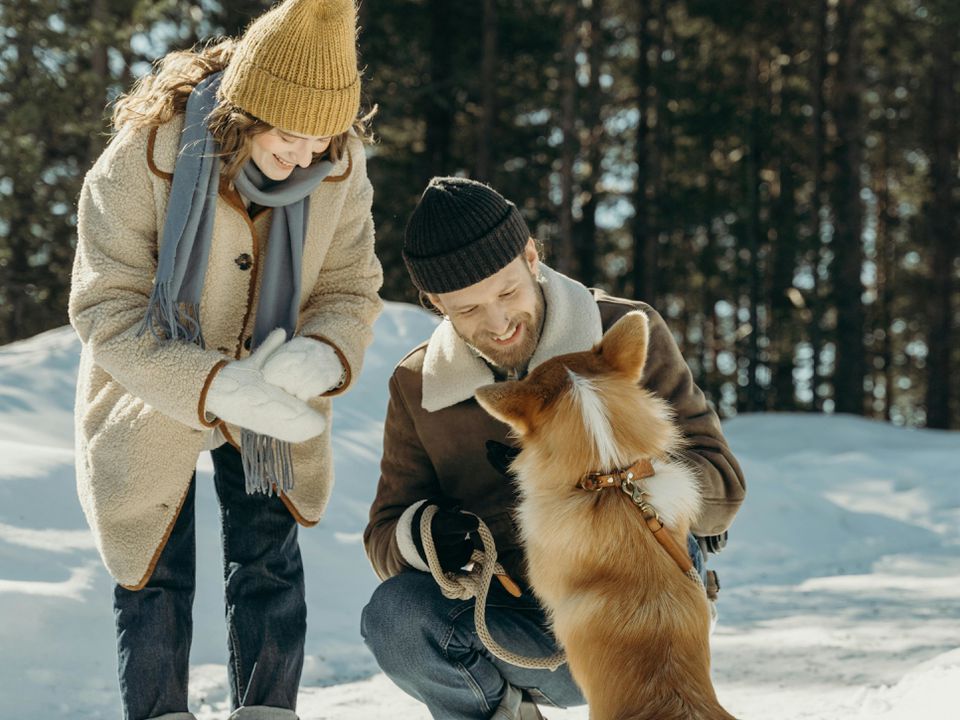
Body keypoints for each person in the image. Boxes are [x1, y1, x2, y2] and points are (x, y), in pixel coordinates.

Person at [69, 0, 382, 718]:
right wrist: (213, 385)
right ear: (250, 108)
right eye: (290, 133)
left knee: (268, 559)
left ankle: (268, 710)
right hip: (155, 388)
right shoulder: (144, 155)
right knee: (153, 567)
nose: (306, 155)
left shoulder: (338, 166)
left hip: (273, 397)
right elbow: (105, 308)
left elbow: (350, 287)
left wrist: (320, 356)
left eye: (323, 138)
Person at [361, 177, 745, 720]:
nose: (497, 324)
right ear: (434, 303)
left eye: (506, 292)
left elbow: (724, 483)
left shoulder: (621, 332)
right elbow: (383, 533)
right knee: (394, 618)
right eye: (466, 309)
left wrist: (632, 480)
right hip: (514, 624)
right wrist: (427, 538)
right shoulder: (418, 385)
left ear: (531, 257)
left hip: (633, 617)